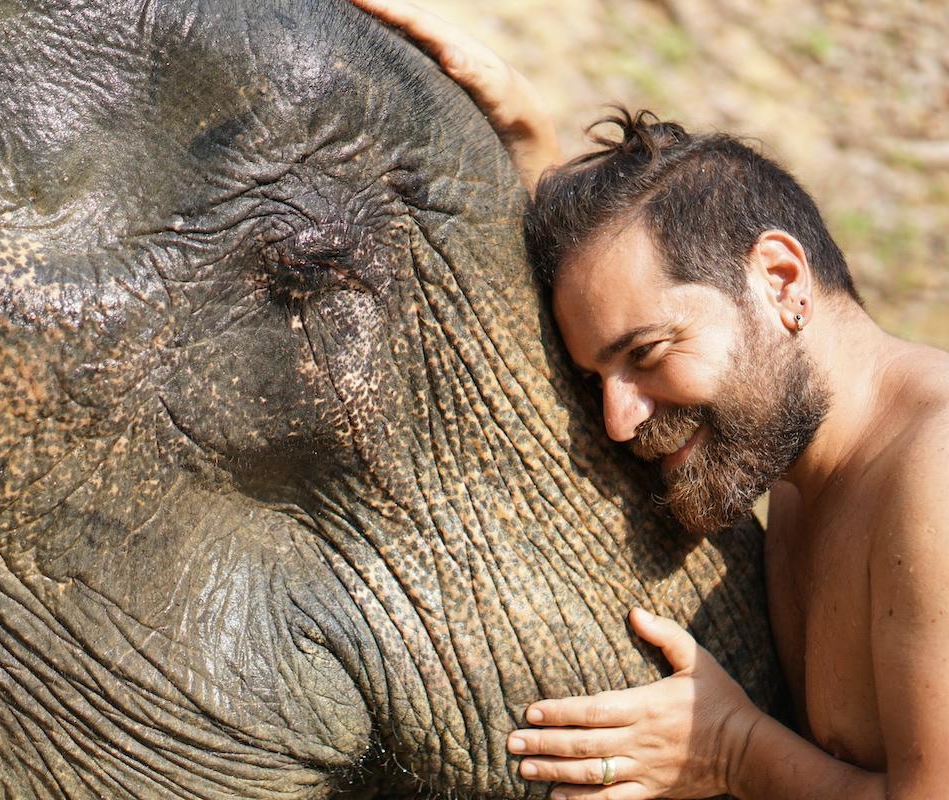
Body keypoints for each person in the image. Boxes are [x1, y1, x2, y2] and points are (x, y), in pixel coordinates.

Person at [348, 1, 949, 798]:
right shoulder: (808, 467)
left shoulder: (934, 473)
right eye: (600, 379)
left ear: (780, 280)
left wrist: (735, 753)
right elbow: (626, 289)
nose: (619, 419)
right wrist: (527, 145)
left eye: (646, 355)